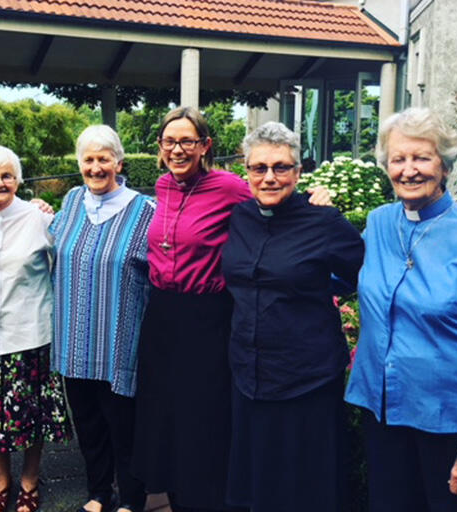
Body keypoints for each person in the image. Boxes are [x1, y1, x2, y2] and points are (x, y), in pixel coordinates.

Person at [132, 107, 332, 512]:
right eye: (170, 141)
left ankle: (204, 499)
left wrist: (314, 201)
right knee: (163, 415)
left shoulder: (227, 187)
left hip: (207, 316)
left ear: (205, 146)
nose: (178, 149)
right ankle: (171, 496)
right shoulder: (162, 186)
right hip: (162, 315)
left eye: (188, 141)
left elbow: (271, 195)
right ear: (159, 147)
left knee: (202, 418)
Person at [345, 107, 457, 511]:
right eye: (398, 159)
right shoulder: (377, 224)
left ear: (443, 166)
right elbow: (338, 279)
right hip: (386, 422)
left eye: (421, 158)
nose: (408, 170)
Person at [221, 122, 364, 511]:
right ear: (246, 171)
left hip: (306, 380)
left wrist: (319, 287)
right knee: (257, 487)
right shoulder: (240, 217)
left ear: (298, 173)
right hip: (248, 375)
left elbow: (362, 275)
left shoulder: (324, 221)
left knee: (305, 490)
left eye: (281, 167)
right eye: (259, 167)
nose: (269, 177)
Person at [0, 145, 72, 512]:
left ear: (19, 180)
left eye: (7, 175)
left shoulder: (40, 219)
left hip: (31, 335)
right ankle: (1, 481)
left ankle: (30, 481)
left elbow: (64, 263)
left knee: (31, 416)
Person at [50, 125, 154, 512]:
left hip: (118, 344)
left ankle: (131, 498)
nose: (96, 167)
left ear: (119, 162)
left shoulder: (145, 210)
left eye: (103, 159)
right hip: (74, 341)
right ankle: (97, 493)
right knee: (89, 426)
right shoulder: (73, 201)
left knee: (123, 428)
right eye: (88, 160)